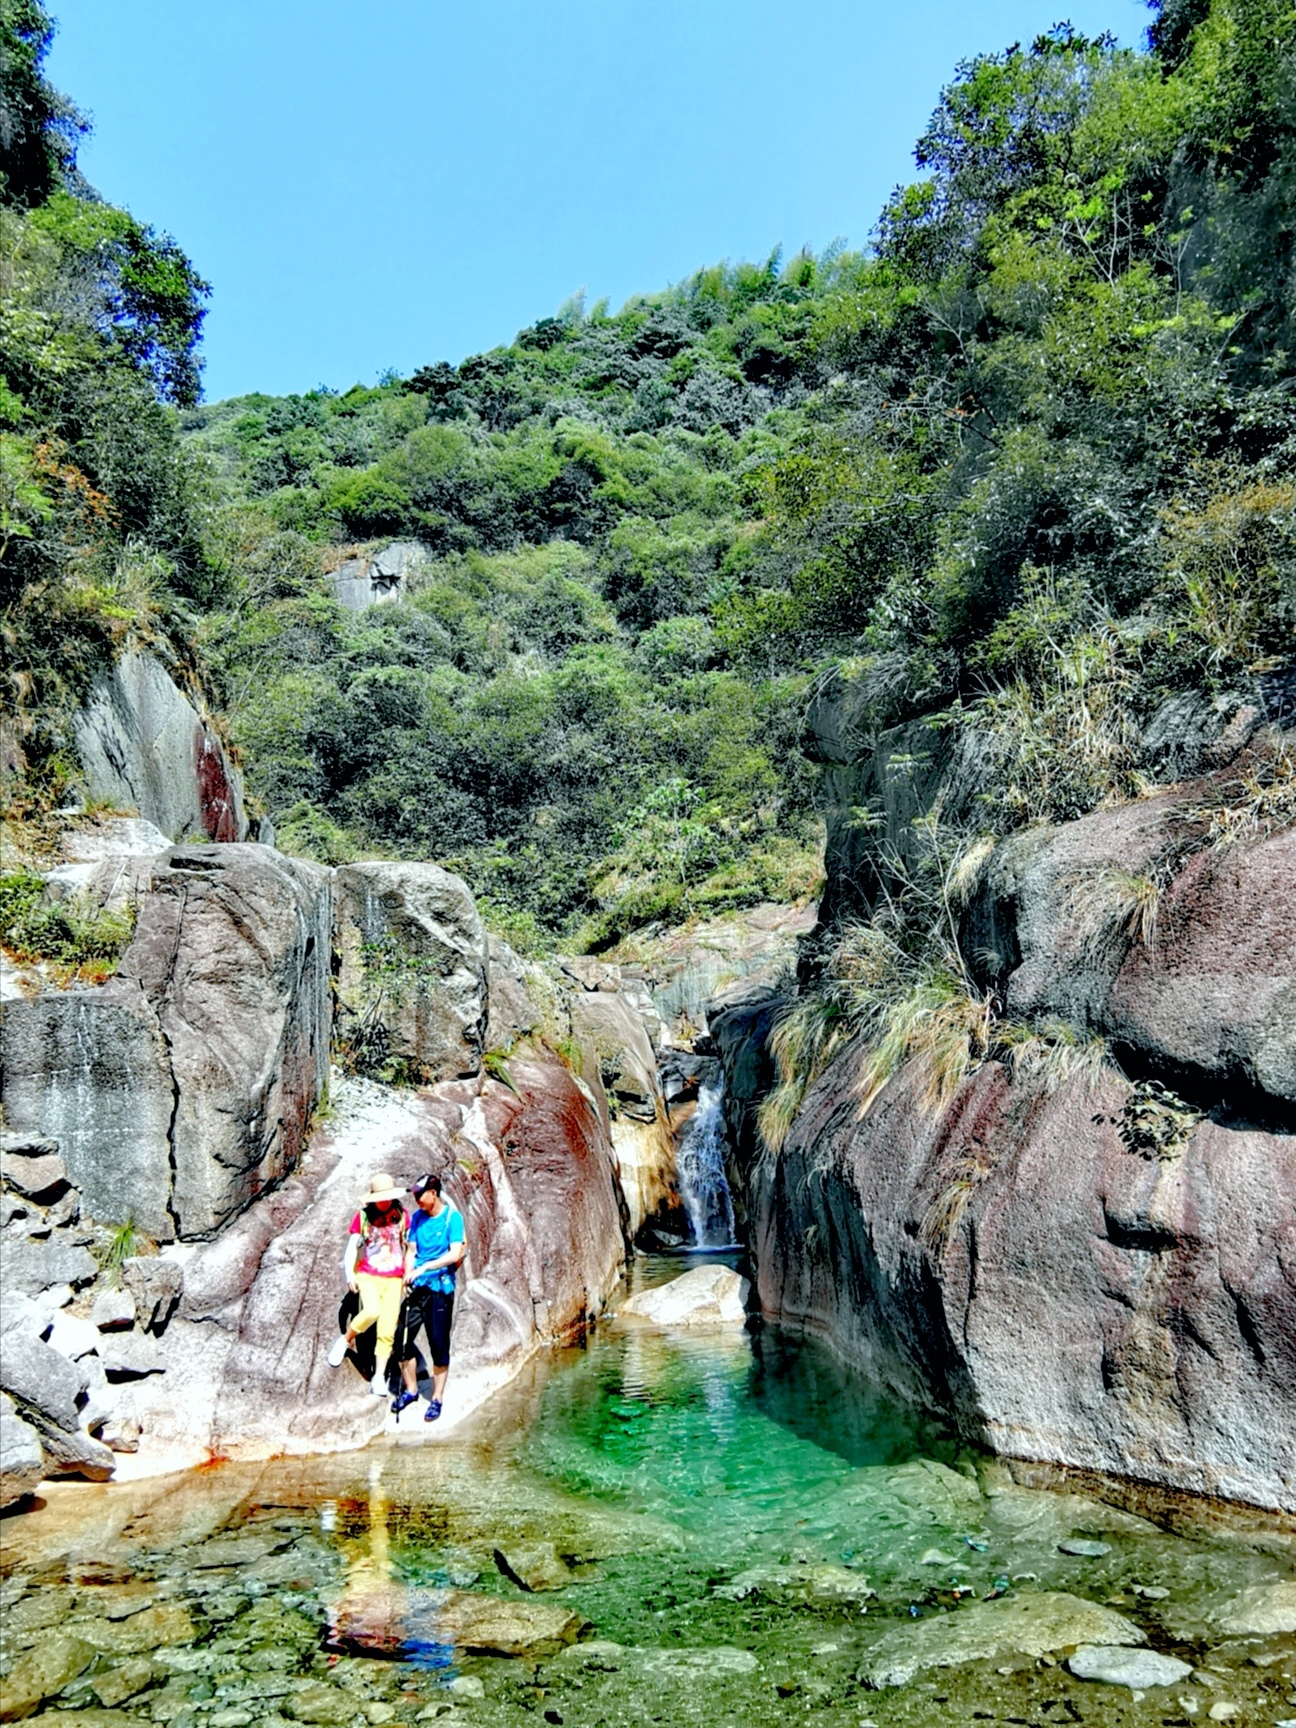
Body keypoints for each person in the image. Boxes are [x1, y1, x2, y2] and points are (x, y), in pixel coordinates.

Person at [390, 1173, 465, 1423]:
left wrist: (427, 1267)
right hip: (417, 1289)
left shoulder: (452, 1219)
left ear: (433, 1194)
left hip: (439, 1291)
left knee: (439, 1346)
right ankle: (411, 1389)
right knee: (400, 1338)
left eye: (420, 1195)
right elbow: (411, 1250)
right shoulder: (419, 1219)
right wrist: (407, 1274)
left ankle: (437, 1397)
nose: (416, 1200)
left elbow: (455, 1254)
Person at [327, 1172, 409, 1396]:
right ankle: (345, 1341)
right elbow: (352, 1246)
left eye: (387, 1197)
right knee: (372, 1310)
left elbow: (408, 1246)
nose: (384, 1202)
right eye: (380, 1198)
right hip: (368, 1273)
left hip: (394, 1276)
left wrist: (410, 1275)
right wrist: (349, 1275)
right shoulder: (363, 1216)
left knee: (387, 1328)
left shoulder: (401, 1215)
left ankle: (379, 1377)